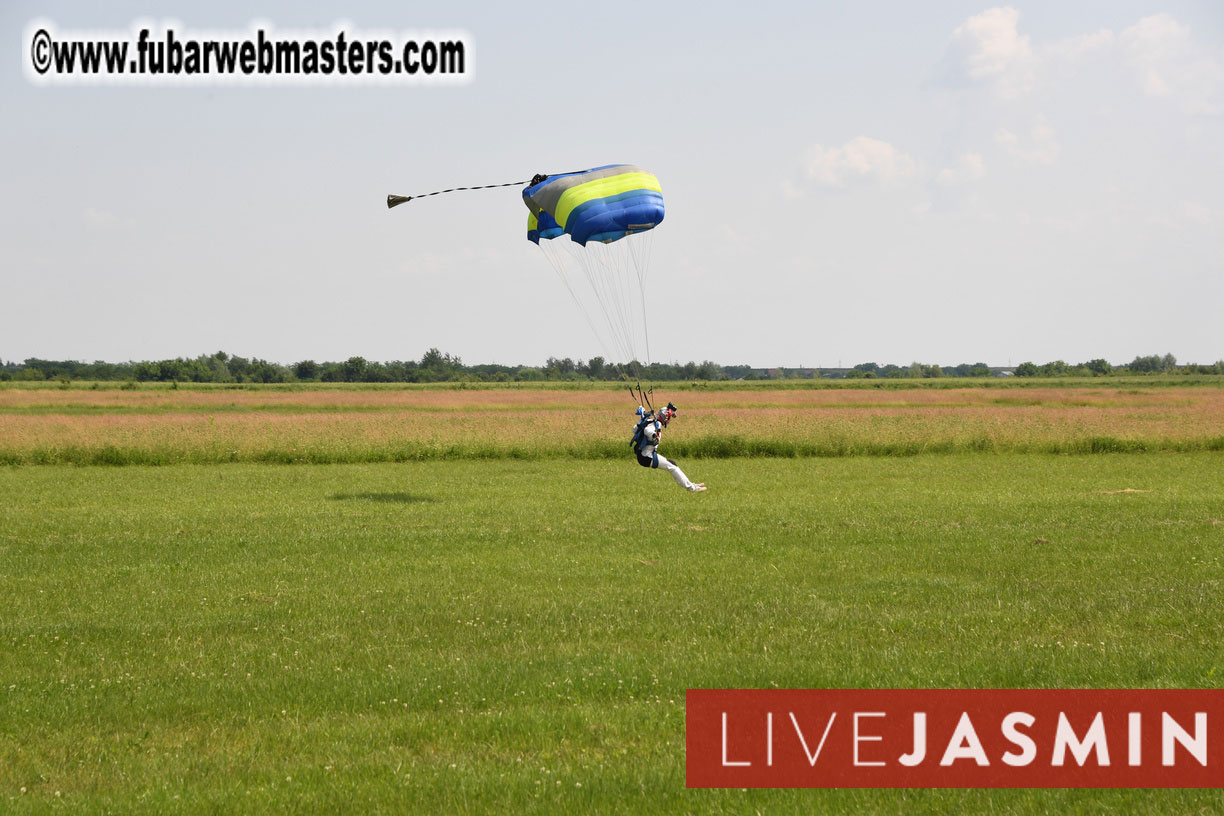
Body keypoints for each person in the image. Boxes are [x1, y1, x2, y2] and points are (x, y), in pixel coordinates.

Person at [631, 402, 706, 492]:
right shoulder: (654, 424)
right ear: (665, 417)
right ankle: (692, 488)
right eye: (669, 418)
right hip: (646, 457)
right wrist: (654, 436)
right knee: (672, 467)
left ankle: (691, 485)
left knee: (672, 464)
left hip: (644, 455)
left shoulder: (652, 422)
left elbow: (634, 429)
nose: (669, 421)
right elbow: (647, 430)